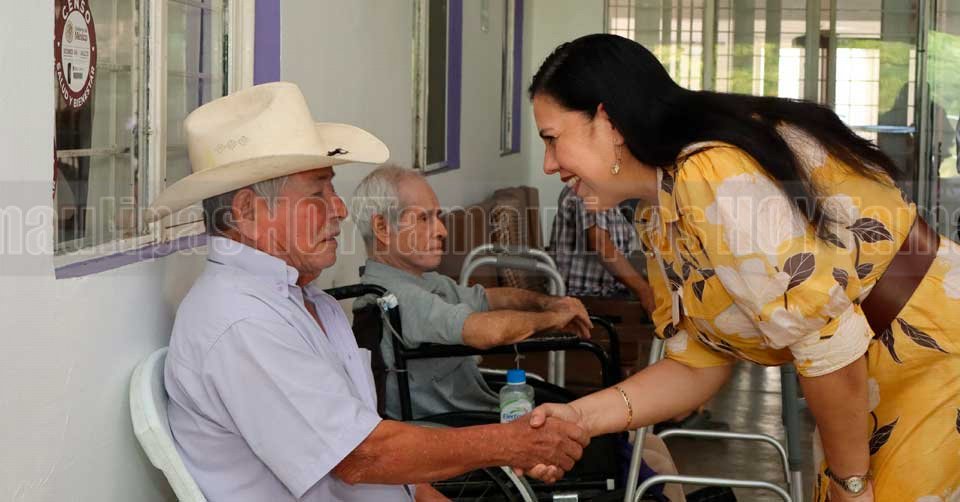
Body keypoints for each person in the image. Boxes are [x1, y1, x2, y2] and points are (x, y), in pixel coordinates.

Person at [523, 34, 960, 502]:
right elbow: (696, 365)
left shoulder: (711, 174)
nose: (549, 164)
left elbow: (829, 345)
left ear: (608, 123)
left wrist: (849, 484)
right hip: (871, 376)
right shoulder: (660, 211)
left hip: (931, 350)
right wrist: (580, 418)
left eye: (552, 139)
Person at [154, 82, 588, 502]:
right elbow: (362, 456)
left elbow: (370, 448)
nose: (340, 208)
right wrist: (512, 443)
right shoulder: (243, 322)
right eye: (317, 192)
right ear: (249, 212)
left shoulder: (298, 300)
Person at [352, 165, 592, 419]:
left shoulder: (422, 281)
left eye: (437, 217)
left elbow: (488, 298)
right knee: (581, 421)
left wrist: (549, 303)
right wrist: (555, 318)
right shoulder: (394, 297)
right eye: (424, 219)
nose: (442, 231)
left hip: (475, 410)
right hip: (453, 427)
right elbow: (489, 332)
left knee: (574, 407)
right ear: (382, 228)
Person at [549, 184, 656, 312]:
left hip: (605, 293)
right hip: (586, 298)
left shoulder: (608, 197)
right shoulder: (589, 189)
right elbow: (601, 246)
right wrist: (645, 291)